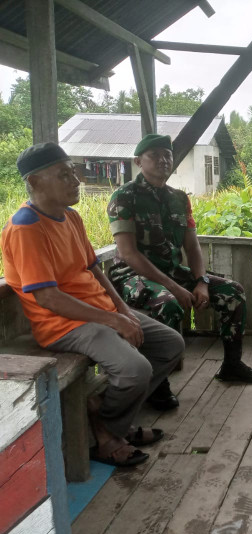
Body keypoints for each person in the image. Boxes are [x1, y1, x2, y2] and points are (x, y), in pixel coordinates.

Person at [2, 142, 185, 467]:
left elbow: (93, 269)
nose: (76, 180)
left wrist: (123, 310)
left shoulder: (70, 217)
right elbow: (48, 297)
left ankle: (104, 414)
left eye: (73, 172)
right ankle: (107, 436)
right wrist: (112, 320)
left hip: (99, 313)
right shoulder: (26, 227)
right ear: (34, 183)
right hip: (61, 325)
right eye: (63, 175)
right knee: (134, 370)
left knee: (170, 344)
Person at [107, 134, 252, 408]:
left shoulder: (179, 199)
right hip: (132, 276)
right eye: (154, 155)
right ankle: (158, 386)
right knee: (169, 305)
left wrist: (201, 281)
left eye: (167, 155)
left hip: (170, 271)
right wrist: (174, 287)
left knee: (233, 292)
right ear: (138, 161)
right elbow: (129, 254)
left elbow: (192, 247)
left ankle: (231, 365)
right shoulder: (125, 197)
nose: (163, 159)